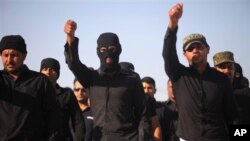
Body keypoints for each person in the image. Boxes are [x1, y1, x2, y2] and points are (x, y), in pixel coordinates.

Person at [162, 3, 237, 141]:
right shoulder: (179, 75)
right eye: (190, 49)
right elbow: (168, 54)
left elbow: (231, 115)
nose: (195, 50)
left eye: (199, 46)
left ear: (208, 49)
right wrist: (173, 24)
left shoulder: (221, 79)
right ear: (185, 54)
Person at [63, 20, 147, 141]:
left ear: (119, 49)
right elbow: (73, 63)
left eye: (112, 49)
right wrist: (70, 36)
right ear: (98, 51)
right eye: (103, 50)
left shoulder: (132, 79)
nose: (108, 55)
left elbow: (142, 115)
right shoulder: (91, 78)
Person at [0, 35, 63, 140]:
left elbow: (53, 117)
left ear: (24, 56)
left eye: (14, 55)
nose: (9, 60)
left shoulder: (40, 81)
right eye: (5, 55)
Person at [40, 57, 85, 141]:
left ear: (57, 74)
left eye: (52, 69)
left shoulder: (67, 94)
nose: (48, 72)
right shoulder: (34, 93)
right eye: (45, 69)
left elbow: (78, 121)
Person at [213, 52, 250, 125]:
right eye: (222, 67)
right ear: (215, 70)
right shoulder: (208, 93)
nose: (226, 71)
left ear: (234, 70)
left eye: (230, 67)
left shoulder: (246, 94)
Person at [141, 76, 162, 141]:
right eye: (143, 88)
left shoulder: (164, 109)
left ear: (154, 90)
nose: (146, 91)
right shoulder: (138, 109)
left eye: (149, 88)